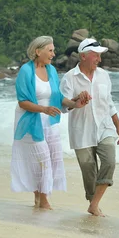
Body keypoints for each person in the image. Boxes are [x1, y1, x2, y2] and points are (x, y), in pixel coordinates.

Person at [11, 36, 88, 210]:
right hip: (31, 122)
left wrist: (75, 103)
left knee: (51, 159)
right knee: (42, 159)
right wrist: (43, 109)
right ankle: (44, 201)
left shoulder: (51, 71)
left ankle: (39, 199)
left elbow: (58, 98)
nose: (53, 54)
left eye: (54, 50)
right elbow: (22, 101)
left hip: (50, 122)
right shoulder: (26, 71)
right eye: (50, 50)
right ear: (38, 51)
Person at [60, 38, 119, 217]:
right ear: (83, 56)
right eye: (95, 56)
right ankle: (93, 202)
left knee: (109, 162)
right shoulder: (69, 78)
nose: (99, 60)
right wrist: (76, 102)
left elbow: (109, 103)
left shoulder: (104, 75)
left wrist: (118, 127)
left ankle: (94, 204)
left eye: (99, 56)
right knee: (88, 170)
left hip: (104, 127)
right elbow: (63, 104)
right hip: (81, 130)